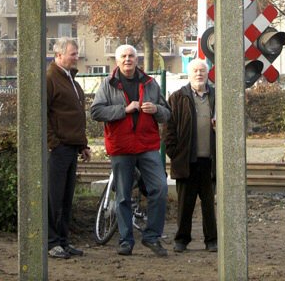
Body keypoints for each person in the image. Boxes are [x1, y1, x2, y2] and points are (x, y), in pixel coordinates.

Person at [91, 44, 171, 257]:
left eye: (131, 56)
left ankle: (152, 236)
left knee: (160, 188)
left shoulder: (150, 84)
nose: (128, 59)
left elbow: (167, 113)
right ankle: (126, 241)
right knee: (124, 197)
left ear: (137, 60)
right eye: (124, 56)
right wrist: (123, 110)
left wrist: (156, 110)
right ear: (117, 61)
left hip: (147, 146)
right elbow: (96, 111)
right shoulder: (107, 84)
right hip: (121, 147)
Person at [164, 58, 217, 253]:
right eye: (195, 70)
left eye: (202, 70)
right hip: (186, 161)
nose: (199, 74)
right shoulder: (178, 97)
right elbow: (169, 129)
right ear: (189, 73)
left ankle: (211, 240)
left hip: (210, 162)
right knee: (185, 204)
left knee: (209, 205)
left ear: (207, 73)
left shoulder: (216, 96)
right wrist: (176, 154)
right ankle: (181, 240)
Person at [46, 37, 91, 259]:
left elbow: (74, 115)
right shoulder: (50, 79)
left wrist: (82, 145)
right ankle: (52, 242)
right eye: (73, 54)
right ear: (59, 55)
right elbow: (42, 113)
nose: (77, 57)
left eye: (76, 53)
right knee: (54, 197)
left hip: (70, 147)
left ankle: (63, 241)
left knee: (65, 197)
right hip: (58, 148)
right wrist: (52, 143)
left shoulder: (70, 80)